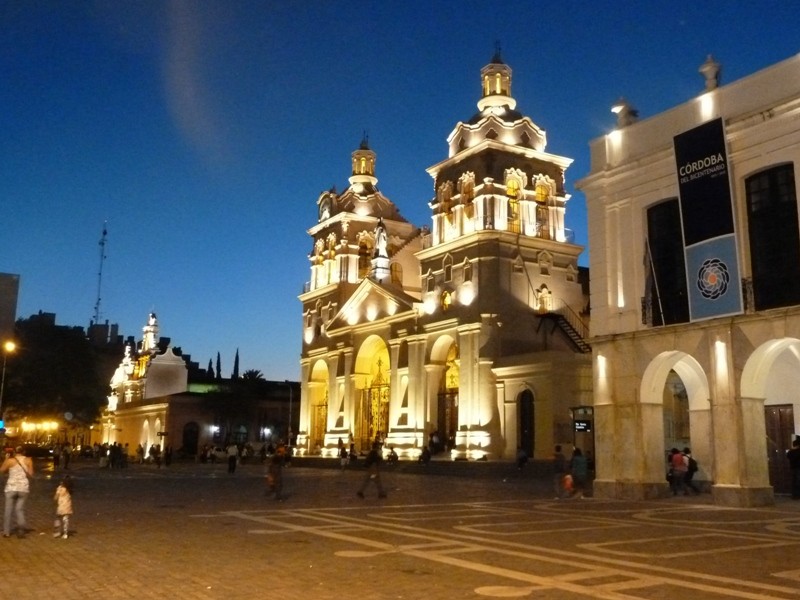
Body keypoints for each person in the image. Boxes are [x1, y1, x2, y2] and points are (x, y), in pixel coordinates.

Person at [1, 446, 34, 538]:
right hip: (23, 488)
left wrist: (6, 459)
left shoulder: (10, 461)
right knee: (19, 509)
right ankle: (21, 531)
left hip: (11, 487)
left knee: (8, 510)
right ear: (24, 451)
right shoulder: (28, 460)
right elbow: (31, 474)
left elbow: (2, 470)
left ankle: (6, 532)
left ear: (14, 452)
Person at [54, 474, 73, 539]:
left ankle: (57, 532)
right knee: (66, 519)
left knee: (57, 518)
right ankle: (65, 533)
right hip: (67, 506)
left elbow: (55, 497)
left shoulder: (60, 488)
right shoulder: (69, 490)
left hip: (61, 506)